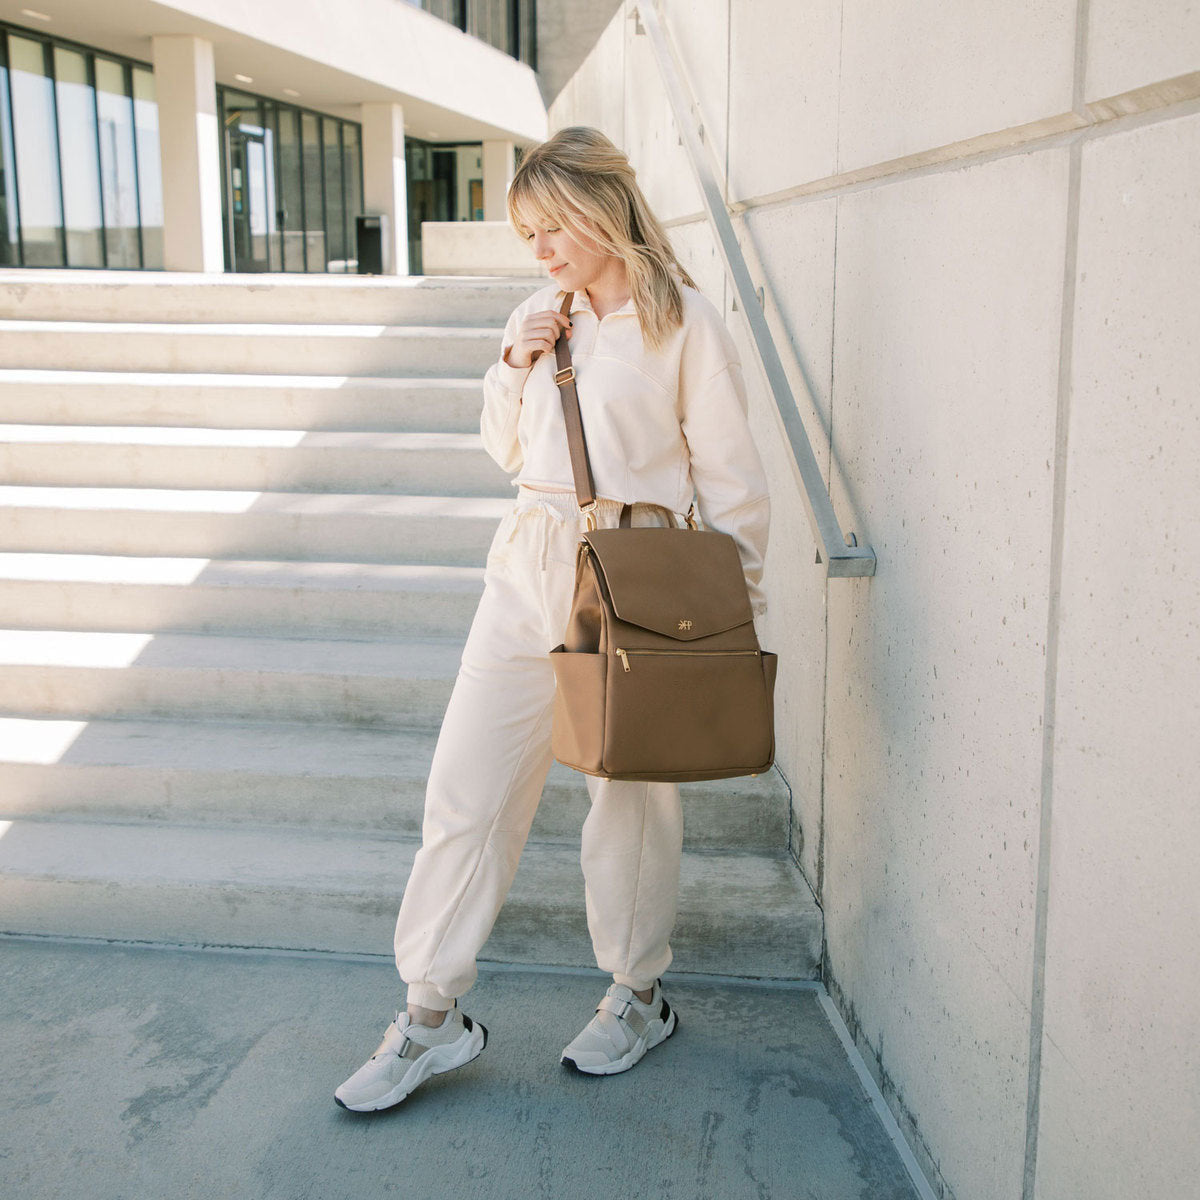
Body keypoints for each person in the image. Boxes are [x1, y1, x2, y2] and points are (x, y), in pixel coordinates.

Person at [335, 126, 771, 1112]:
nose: (537, 250)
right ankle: (430, 1016)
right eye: (525, 234)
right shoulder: (544, 313)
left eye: (547, 229)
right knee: (468, 790)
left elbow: (738, 489)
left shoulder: (683, 322)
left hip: (637, 573)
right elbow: (504, 447)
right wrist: (509, 356)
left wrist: (725, 620)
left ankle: (635, 994)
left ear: (597, 209)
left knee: (630, 802)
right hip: (527, 563)